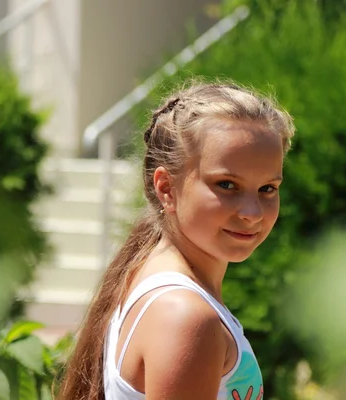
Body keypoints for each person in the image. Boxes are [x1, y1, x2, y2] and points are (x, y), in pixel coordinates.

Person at [58, 81, 295, 400]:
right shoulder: (185, 315)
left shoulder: (152, 273)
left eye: (268, 188)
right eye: (227, 184)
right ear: (166, 188)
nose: (252, 212)